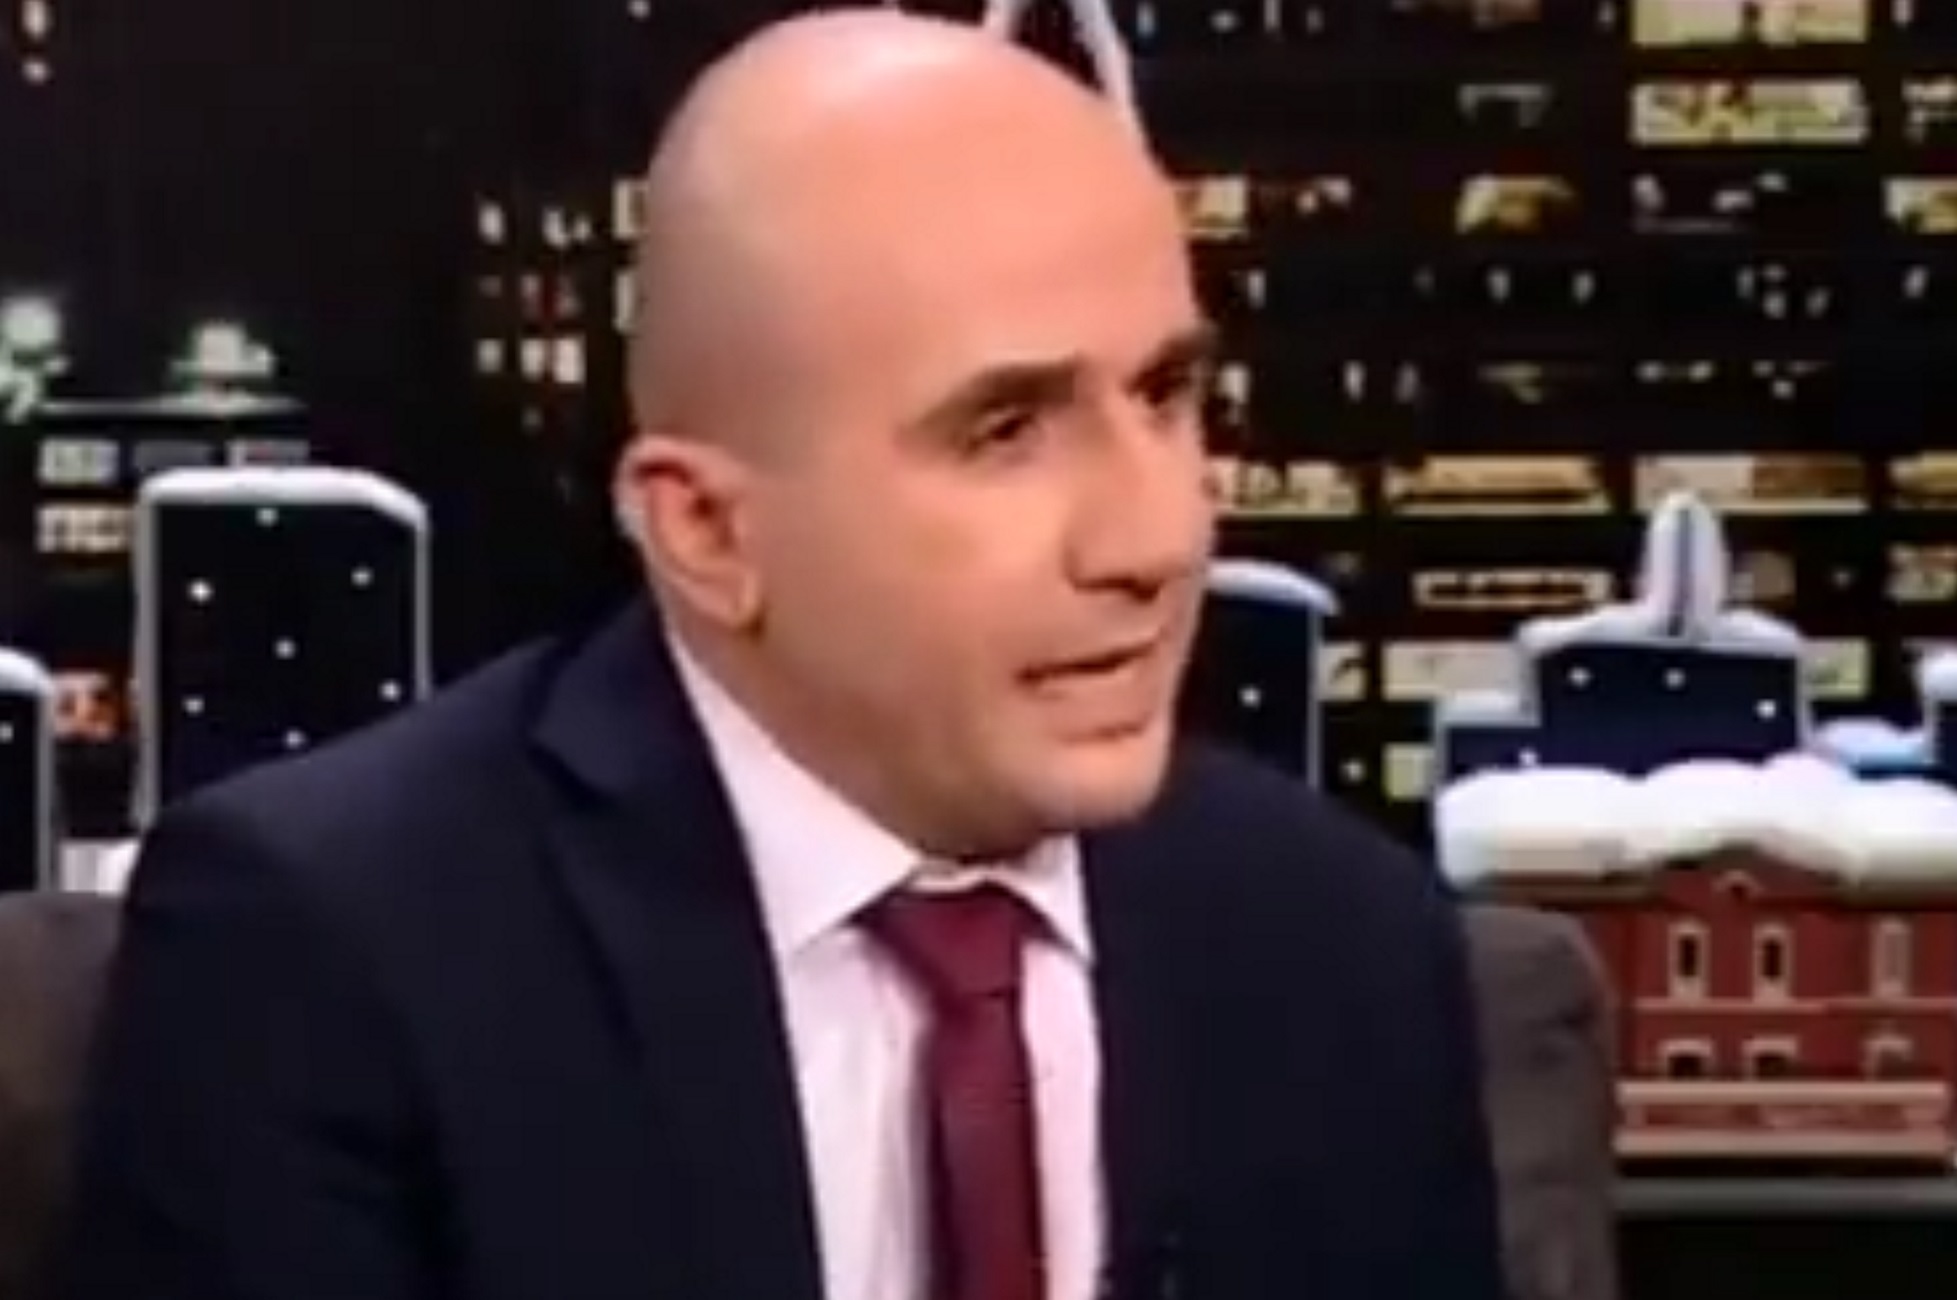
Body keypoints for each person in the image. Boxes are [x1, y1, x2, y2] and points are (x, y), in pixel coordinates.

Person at [59, 10, 1503, 1300]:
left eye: (1168, 395)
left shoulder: (1343, 954)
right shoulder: (335, 954)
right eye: (1005, 432)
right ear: (705, 532)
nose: (1157, 535)